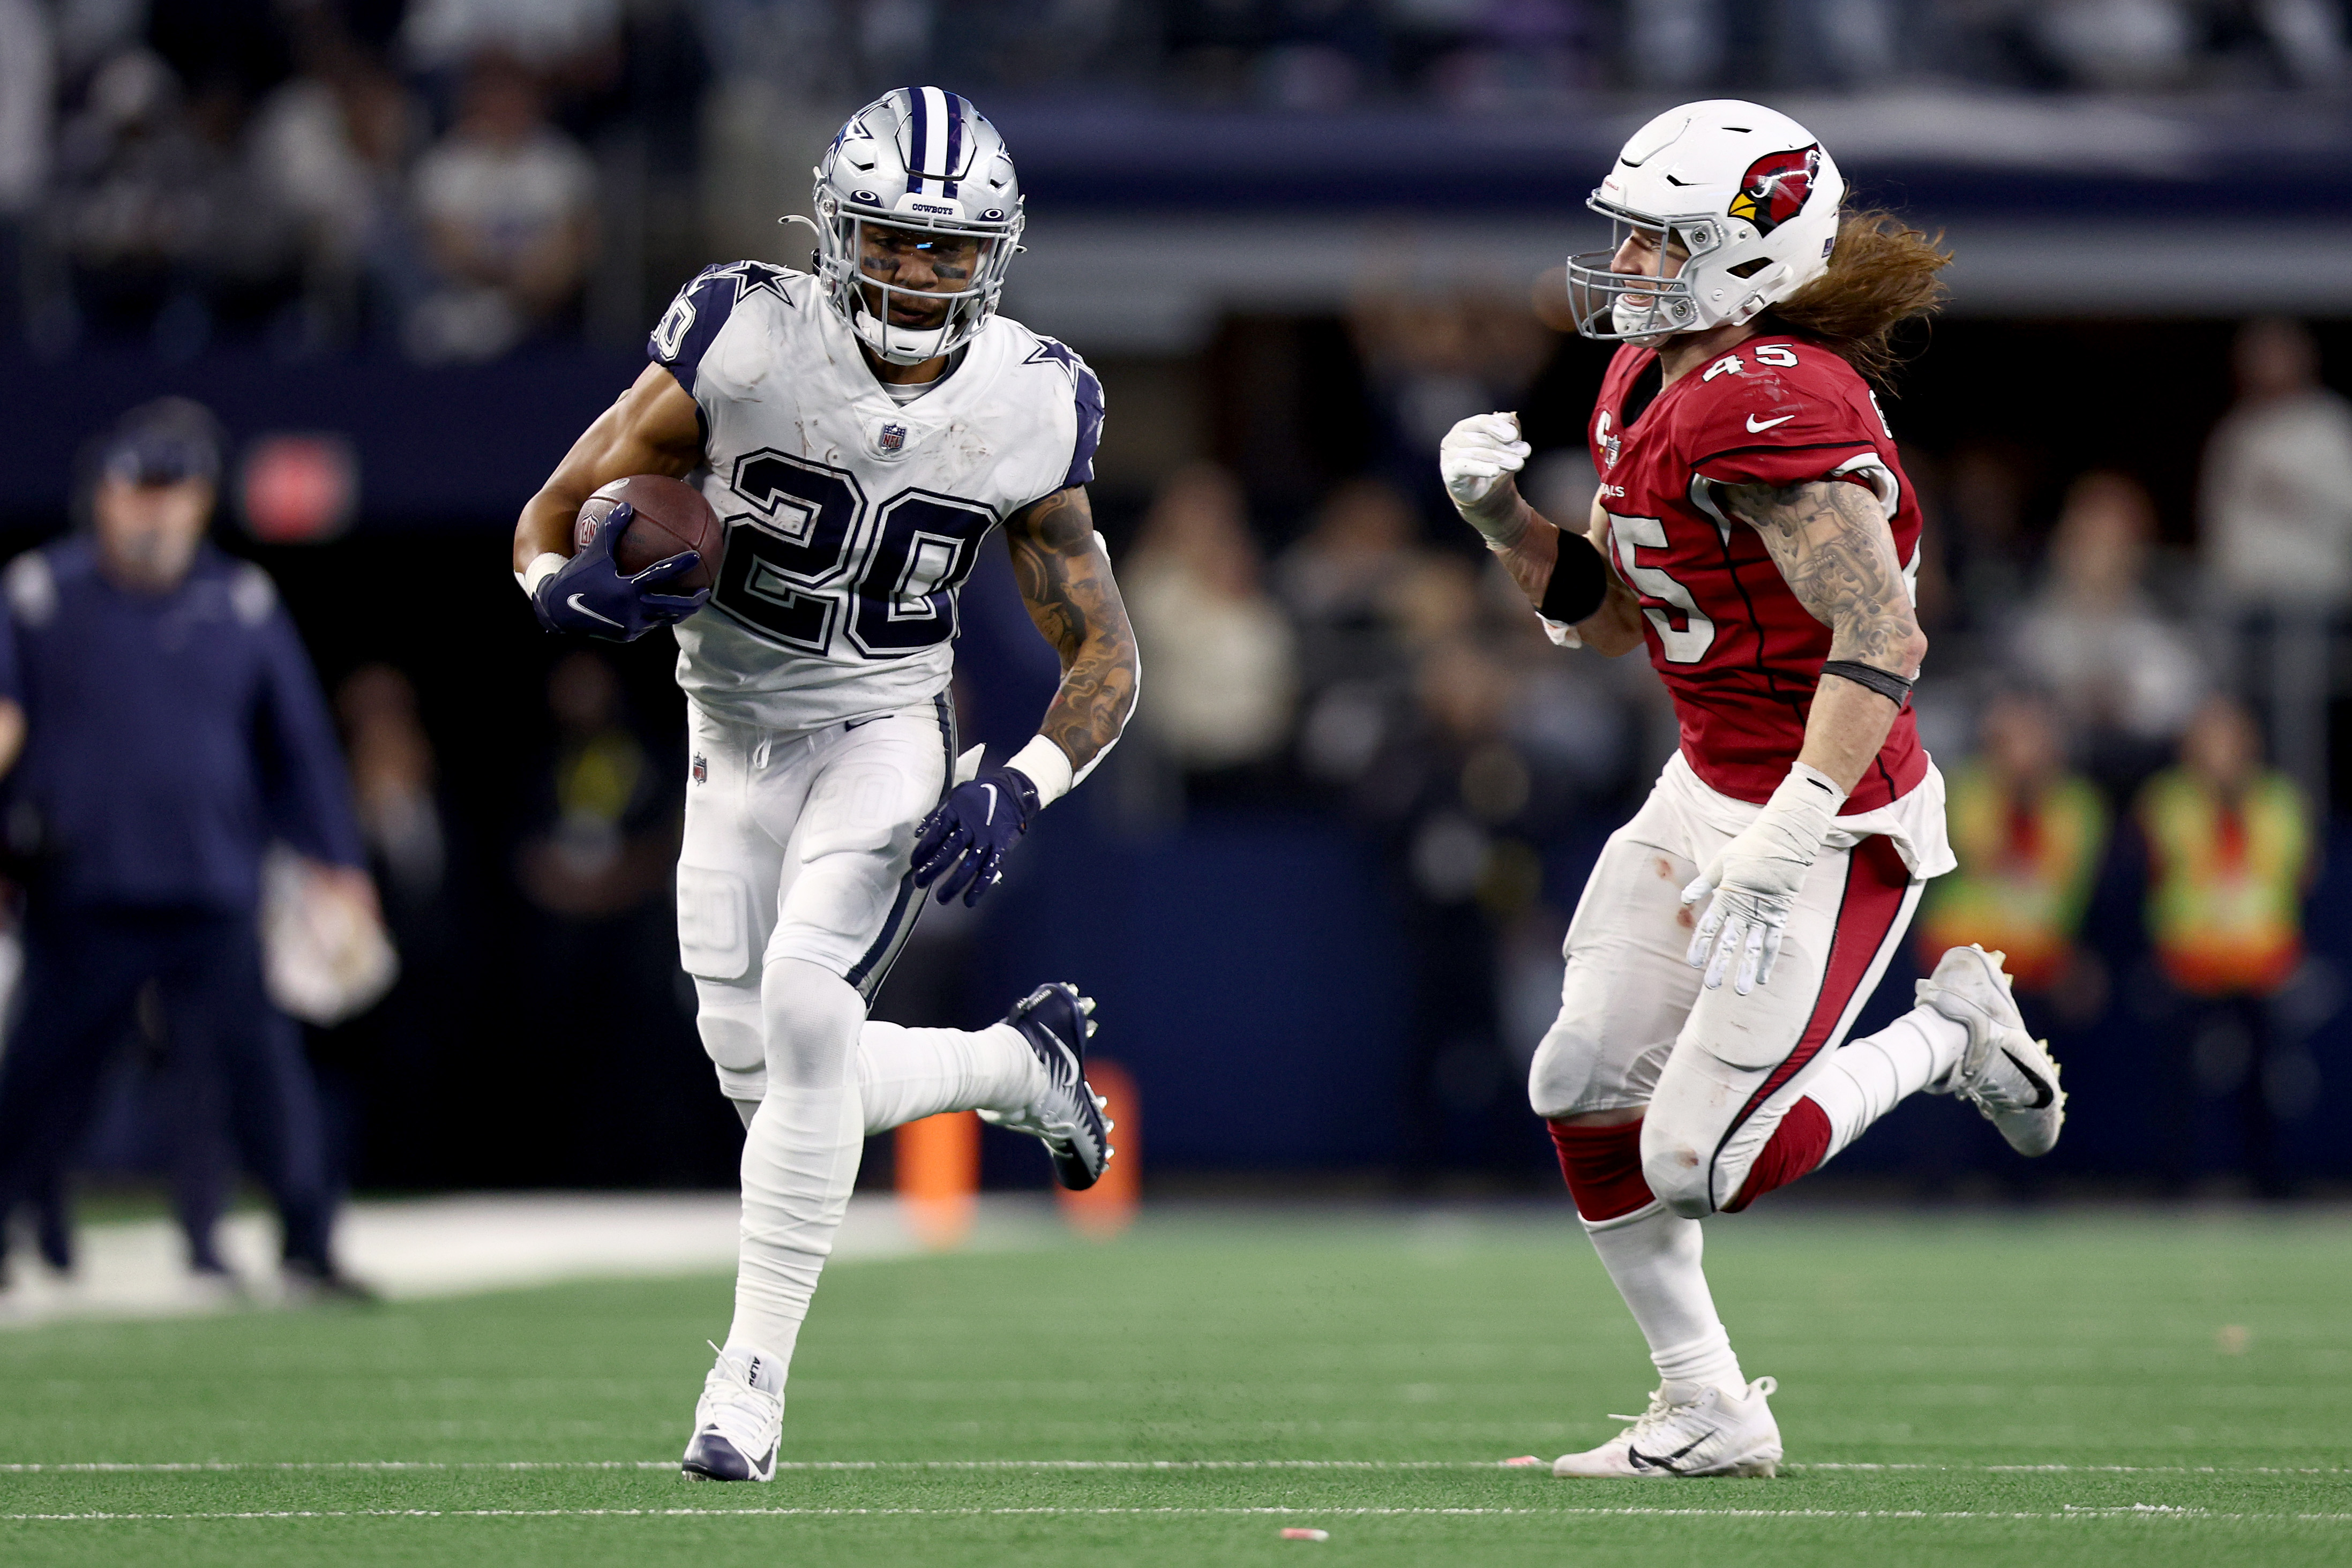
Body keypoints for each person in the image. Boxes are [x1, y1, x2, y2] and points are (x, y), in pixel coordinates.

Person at [510, 87, 1140, 1482]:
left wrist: (1022, 782)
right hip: (723, 735)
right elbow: (550, 516)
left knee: (806, 1009)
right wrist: (564, 591)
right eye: (892, 240)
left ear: (996, 251)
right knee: (768, 1078)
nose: (919, 274)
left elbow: (1104, 652)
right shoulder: (741, 336)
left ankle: (747, 1385)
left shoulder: (1033, 398)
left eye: (947, 247)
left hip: (880, 727)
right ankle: (1010, 1064)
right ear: (833, 231)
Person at [1439, 100, 2065, 1479]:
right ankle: (1710, 1408)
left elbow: (1885, 633)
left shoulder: (1778, 395)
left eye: (1661, 243)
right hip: (1709, 780)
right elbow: (1615, 617)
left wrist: (1791, 831)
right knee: (1577, 1078)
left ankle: (1950, 1036)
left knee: (1699, 1161)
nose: (1627, 266)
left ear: (1749, 252)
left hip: (1832, 812)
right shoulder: (1644, 380)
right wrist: (1504, 526)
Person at [0, 397, 371, 1297]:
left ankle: (308, 1242)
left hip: (211, 885)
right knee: (42, 1074)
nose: (153, 510)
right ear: (105, 496)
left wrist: (341, 864)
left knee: (262, 1074)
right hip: (83, 886)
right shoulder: (42, 594)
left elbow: (301, 750)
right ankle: (12, 1221)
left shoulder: (239, 602)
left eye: (172, 491)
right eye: (138, 490)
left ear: (202, 501)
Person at [2134, 696, 2314, 1197]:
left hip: (2262, 962)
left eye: (2227, 737)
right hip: (2191, 960)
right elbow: (2161, 867)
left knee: (2268, 1084)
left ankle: (2273, 1184)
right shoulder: (2169, 800)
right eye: (2207, 739)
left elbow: (2296, 872)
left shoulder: (2278, 798)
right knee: (2182, 1086)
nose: (2218, 751)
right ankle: (2179, 1184)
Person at [2199, 318, 2352, 807]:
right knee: (2236, 713)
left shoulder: (2329, 425)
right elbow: (2216, 519)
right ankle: (2235, 816)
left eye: (2276, 354)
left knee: (2297, 724)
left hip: (2312, 605)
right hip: (2244, 603)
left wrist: (2295, 497)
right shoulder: (2237, 432)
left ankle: (2305, 817)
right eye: (2257, 356)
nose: (2266, 367)